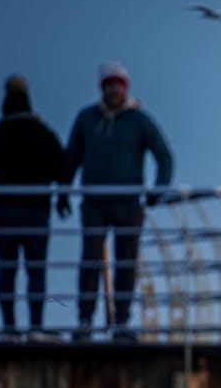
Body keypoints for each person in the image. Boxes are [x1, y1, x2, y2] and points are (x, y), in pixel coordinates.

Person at [62, 61, 173, 342]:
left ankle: (122, 323)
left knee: (126, 263)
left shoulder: (139, 120)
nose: (114, 89)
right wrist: (63, 191)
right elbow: (71, 157)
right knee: (90, 260)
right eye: (109, 84)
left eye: (119, 84)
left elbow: (164, 155)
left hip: (128, 204)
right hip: (94, 203)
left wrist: (158, 189)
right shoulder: (87, 118)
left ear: (126, 88)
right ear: (102, 88)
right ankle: (85, 320)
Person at [0, 74, 70, 341]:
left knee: (7, 267)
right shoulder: (43, 132)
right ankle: (36, 328)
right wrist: (62, 197)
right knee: (36, 269)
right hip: (36, 210)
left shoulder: (2, 130)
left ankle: (9, 329)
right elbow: (63, 167)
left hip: (2, 209)